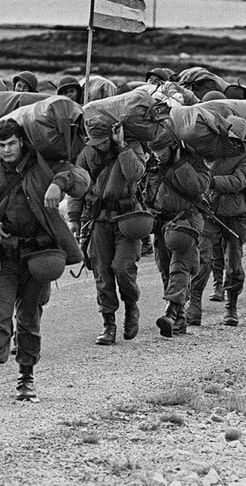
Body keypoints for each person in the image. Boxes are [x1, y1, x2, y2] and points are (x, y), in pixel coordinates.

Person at [0, 119, 89, 401]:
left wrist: (57, 182)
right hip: (2, 255)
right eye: (0, 145)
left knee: (29, 318)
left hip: (38, 256)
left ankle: (26, 380)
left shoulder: (44, 164)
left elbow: (80, 178)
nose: (5, 150)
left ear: (23, 141)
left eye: (11, 144)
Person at [68, 122, 148, 344]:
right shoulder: (87, 154)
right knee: (102, 272)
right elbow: (77, 187)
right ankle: (108, 323)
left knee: (123, 268)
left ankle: (131, 308)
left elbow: (136, 173)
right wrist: (74, 219)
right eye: (95, 142)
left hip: (127, 219)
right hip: (98, 220)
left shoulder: (132, 148)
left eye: (104, 141)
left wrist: (122, 146)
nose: (100, 146)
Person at [188, 119, 246, 326]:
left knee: (234, 263)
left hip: (234, 213)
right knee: (203, 259)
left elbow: (239, 181)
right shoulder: (209, 149)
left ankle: (231, 307)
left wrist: (210, 181)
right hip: (208, 210)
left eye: (234, 140)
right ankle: (194, 304)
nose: (230, 143)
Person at [145, 137, 212, 337]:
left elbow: (198, 187)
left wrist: (179, 163)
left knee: (180, 265)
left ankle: (171, 311)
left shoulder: (193, 161)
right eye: (156, 152)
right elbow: (146, 193)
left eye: (163, 152)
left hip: (187, 219)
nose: (159, 156)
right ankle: (179, 320)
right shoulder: (153, 165)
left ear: (173, 147)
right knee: (165, 267)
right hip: (161, 223)